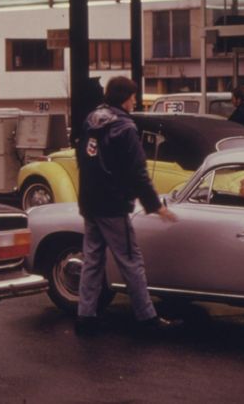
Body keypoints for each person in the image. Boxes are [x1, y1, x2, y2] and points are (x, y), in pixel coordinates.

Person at [75, 76, 181, 334]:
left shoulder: (91, 121)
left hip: (90, 202)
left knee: (92, 260)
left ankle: (85, 316)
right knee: (131, 260)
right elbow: (137, 172)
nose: (134, 101)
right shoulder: (125, 128)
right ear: (124, 98)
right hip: (113, 204)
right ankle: (146, 318)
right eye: (133, 97)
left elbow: (82, 159)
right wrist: (156, 206)